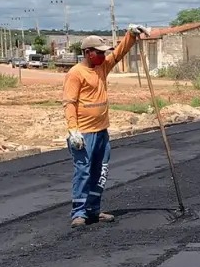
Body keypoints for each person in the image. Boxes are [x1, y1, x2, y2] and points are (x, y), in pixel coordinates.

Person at [63, 25, 149, 227]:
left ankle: (93, 210)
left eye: (104, 53)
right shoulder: (76, 73)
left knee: (100, 171)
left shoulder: (102, 67)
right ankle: (79, 213)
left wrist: (131, 35)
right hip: (83, 134)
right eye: (99, 53)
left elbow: (119, 53)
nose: (103, 56)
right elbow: (69, 103)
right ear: (87, 52)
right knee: (83, 171)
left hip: (102, 131)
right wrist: (73, 130)